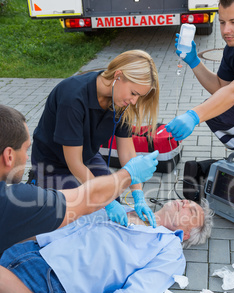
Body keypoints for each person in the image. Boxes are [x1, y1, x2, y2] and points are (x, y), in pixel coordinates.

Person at [0, 198, 213, 293]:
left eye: (191, 210)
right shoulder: (126, 208)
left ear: (186, 234)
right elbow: (70, 227)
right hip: (26, 251)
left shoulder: (169, 249)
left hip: (49, 283)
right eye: (186, 201)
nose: (184, 203)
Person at [0, 104, 159, 255]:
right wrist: (128, 175)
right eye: (26, 149)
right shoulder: (14, 201)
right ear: (9, 156)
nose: (27, 157)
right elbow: (89, 197)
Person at [30, 49, 160, 227]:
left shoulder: (121, 101)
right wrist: (104, 202)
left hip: (87, 156)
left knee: (112, 197)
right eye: (134, 93)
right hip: (53, 164)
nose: (134, 101)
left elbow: (128, 152)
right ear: (118, 76)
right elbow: (74, 163)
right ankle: (37, 183)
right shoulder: (73, 97)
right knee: (71, 216)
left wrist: (138, 195)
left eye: (139, 96)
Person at [165, 0, 234, 164]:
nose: (226, 30)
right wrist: (194, 61)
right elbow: (222, 88)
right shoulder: (233, 45)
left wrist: (194, 116)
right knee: (214, 111)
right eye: (222, 22)